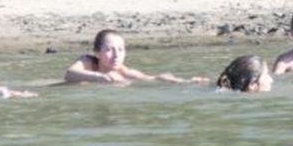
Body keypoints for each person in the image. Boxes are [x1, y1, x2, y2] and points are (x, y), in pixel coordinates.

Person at [63, 29, 205, 85]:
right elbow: (69, 74)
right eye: (109, 50)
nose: (116, 55)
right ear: (97, 52)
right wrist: (99, 77)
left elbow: (154, 78)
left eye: (121, 49)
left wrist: (185, 82)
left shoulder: (124, 72)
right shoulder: (87, 62)